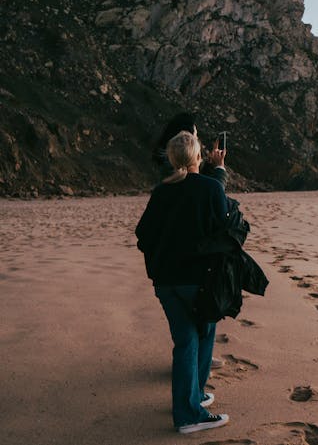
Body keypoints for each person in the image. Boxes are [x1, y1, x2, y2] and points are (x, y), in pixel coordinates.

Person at [136, 131, 230, 434]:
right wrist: (219, 172)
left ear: (173, 159)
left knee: (185, 340)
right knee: (201, 336)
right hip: (197, 280)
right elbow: (224, 227)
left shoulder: (160, 191)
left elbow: (143, 235)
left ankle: (193, 400)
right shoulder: (209, 187)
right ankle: (190, 414)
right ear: (198, 157)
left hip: (166, 282)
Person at [151, 112, 228, 188]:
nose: (197, 139)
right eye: (195, 135)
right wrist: (219, 167)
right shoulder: (180, 174)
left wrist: (210, 166)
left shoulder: (161, 188)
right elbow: (211, 193)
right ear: (186, 140)